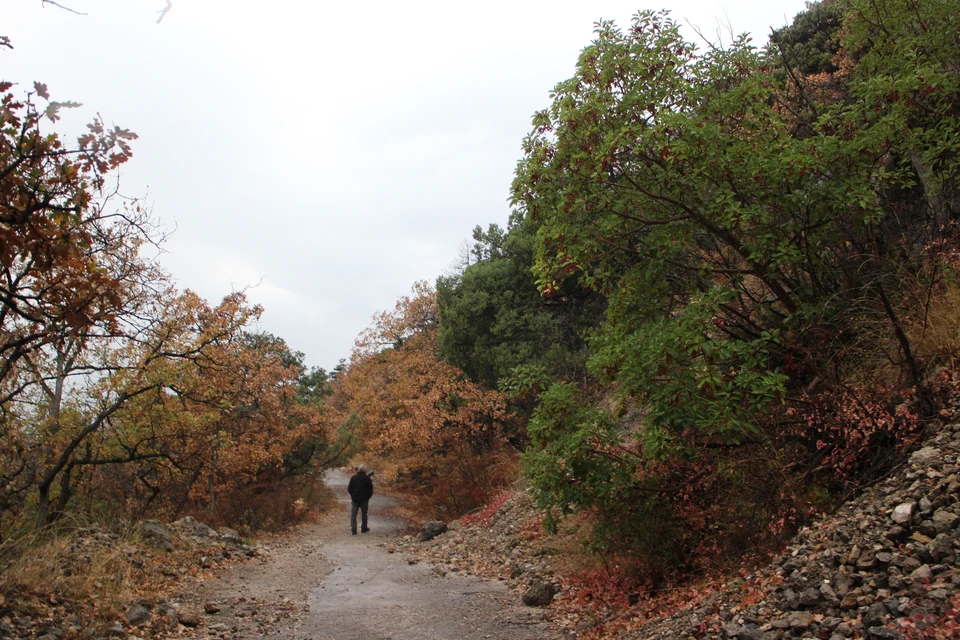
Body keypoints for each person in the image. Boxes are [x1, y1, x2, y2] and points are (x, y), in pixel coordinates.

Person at [347, 464, 374, 535]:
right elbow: (370, 490)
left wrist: (353, 496)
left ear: (358, 470)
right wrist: (367, 497)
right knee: (364, 514)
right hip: (364, 500)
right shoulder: (367, 479)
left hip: (355, 499)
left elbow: (349, 489)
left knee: (353, 514)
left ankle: (353, 529)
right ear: (365, 470)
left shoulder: (353, 478)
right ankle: (364, 528)